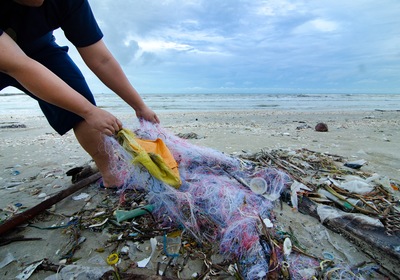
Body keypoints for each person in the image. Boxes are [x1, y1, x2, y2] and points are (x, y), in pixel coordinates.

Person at [0, 0, 160, 188]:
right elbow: (17, 65)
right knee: (85, 109)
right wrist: (89, 111)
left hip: (40, 49)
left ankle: (112, 175)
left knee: (79, 98)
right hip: (9, 55)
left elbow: (102, 60)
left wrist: (140, 106)